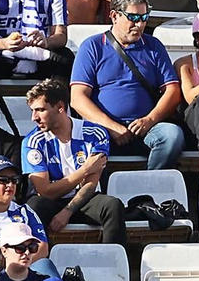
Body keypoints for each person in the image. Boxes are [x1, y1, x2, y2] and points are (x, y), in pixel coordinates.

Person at [70, 0, 185, 170]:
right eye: (133, 18)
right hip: (102, 128)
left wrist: (149, 120)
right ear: (114, 16)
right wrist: (111, 126)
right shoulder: (92, 47)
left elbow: (172, 91)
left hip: (146, 127)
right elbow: (77, 98)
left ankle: (150, 186)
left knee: (172, 135)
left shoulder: (153, 46)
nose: (139, 24)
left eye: (143, 18)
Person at [21, 77, 124, 245]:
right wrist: (84, 170)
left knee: (112, 205)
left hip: (85, 200)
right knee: (34, 205)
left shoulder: (94, 133)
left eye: (40, 110)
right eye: (32, 110)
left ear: (60, 107)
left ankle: (113, 265)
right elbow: (45, 191)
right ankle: (36, 264)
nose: (34, 117)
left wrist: (67, 211)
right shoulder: (32, 142)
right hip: (52, 202)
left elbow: (90, 185)